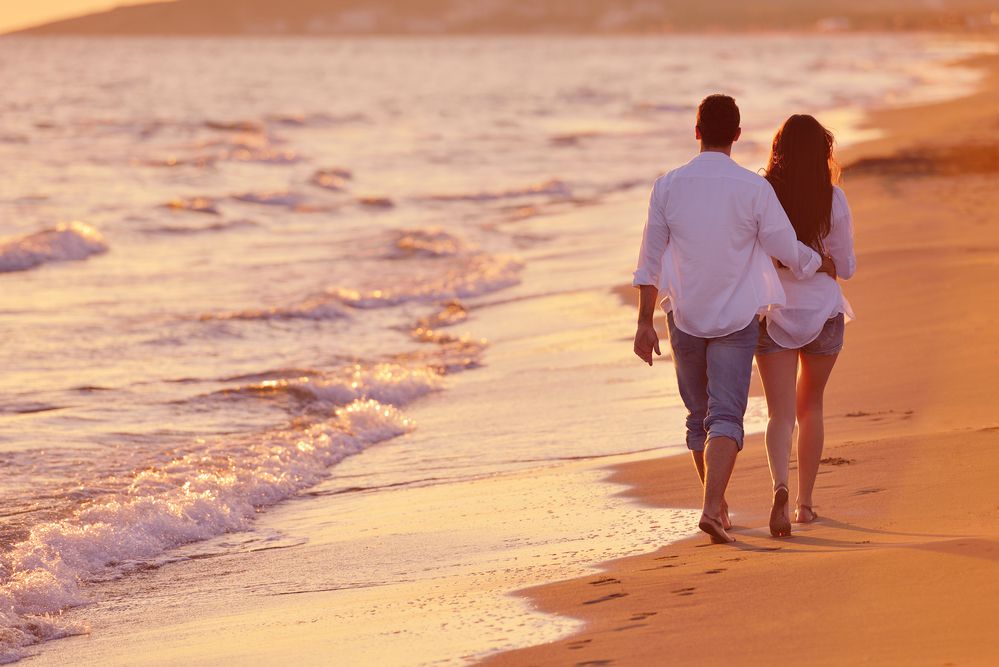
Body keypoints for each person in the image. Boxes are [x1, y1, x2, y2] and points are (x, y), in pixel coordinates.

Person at [632, 94, 834, 544]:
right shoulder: (752, 189)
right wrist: (816, 263)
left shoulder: (667, 186)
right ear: (738, 135)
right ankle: (711, 507)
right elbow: (785, 246)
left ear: (696, 131)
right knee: (726, 416)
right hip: (738, 320)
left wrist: (645, 322)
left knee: (697, 416)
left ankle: (719, 509)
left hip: (682, 317)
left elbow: (649, 260)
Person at [756, 114, 856, 538]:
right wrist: (825, 264)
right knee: (810, 406)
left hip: (774, 311)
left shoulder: (764, 195)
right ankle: (804, 505)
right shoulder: (833, 199)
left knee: (779, 414)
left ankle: (779, 485)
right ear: (823, 153)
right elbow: (847, 267)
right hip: (822, 313)